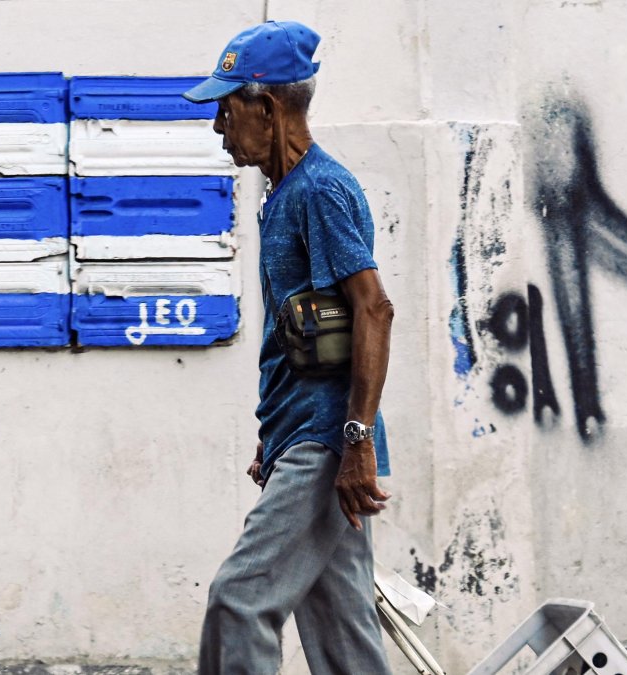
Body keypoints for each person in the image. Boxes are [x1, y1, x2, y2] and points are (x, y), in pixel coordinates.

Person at [183, 21, 396, 675]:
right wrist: (271, 436)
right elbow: (301, 332)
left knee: (239, 599)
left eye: (227, 107)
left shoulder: (319, 191)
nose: (220, 126)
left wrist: (354, 437)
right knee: (342, 632)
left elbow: (373, 309)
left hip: (325, 440)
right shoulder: (283, 195)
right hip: (301, 437)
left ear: (266, 106)